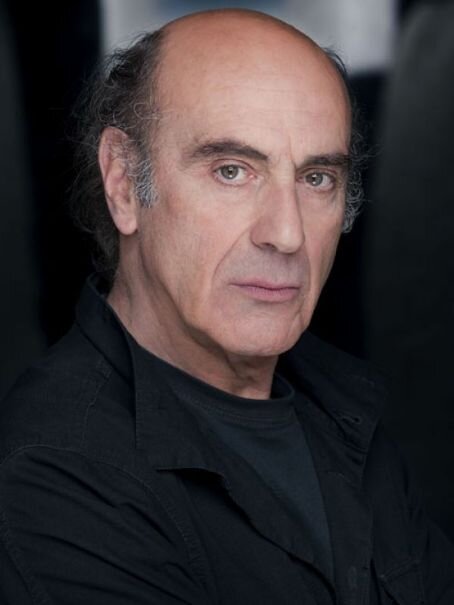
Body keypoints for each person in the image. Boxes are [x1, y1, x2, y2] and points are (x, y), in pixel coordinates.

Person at [0, 8, 452, 604]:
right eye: (232, 171)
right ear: (123, 183)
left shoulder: (344, 409)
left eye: (316, 178)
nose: (287, 234)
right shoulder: (56, 476)